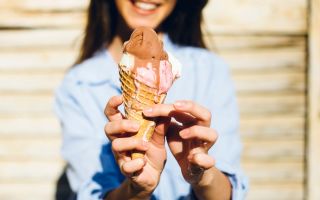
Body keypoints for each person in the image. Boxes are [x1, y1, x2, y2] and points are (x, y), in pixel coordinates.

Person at [54, 0, 248, 199]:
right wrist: (137, 190)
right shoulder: (78, 84)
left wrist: (202, 176)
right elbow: (90, 192)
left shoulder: (209, 69)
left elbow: (230, 189)